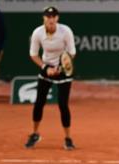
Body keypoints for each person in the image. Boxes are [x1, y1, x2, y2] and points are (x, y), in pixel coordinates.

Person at [25, 6, 76, 150]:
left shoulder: (66, 31)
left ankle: (68, 138)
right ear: (44, 18)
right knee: (39, 103)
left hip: (63, 70)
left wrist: (61, 67)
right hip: (46, 69)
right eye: (48, 17)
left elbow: (72, 53)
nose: (51, 19)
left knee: (63, 105)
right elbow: (33, 55)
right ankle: (35, 134)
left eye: (54, 17)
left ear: (57, 18)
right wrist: (45, 68)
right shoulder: (38, 33)